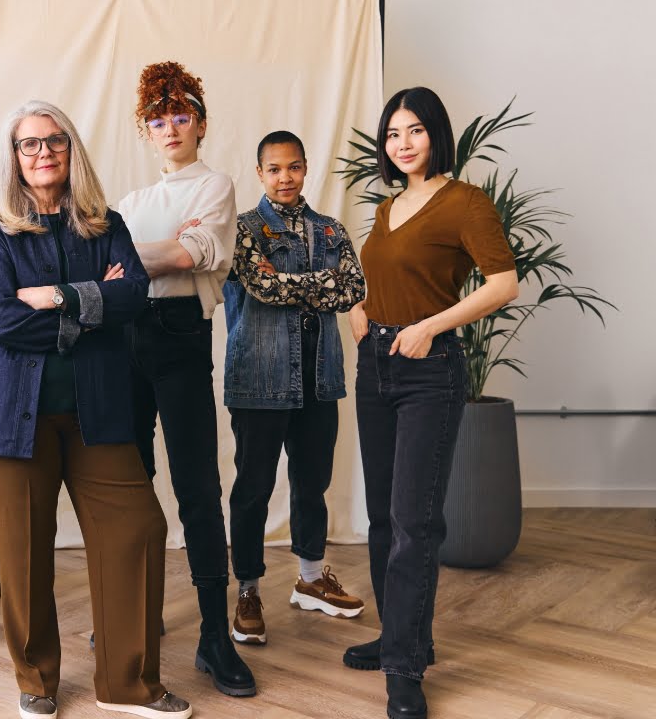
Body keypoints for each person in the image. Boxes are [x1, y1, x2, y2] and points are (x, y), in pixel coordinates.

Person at [0, 100, 192, 719]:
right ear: (13, 159)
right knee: (25, 552)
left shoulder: (105, 222)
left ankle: (128, 685)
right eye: (30, 145)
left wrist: (56, 297)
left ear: (72, 149)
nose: (44, 154)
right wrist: (91, 307)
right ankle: (36, 683)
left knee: (138, 531)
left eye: (55, 142)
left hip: (99, 409)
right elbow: (1, 321)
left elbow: (135, 296)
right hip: (11, 416)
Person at [344, 87, 518, 719]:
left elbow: (504, 282)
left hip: (428, 370)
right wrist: (358, 309)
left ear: (436, 135)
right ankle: (399, 637)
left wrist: (432, 327)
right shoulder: (389, 207)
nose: (403, 143)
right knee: (384, 519)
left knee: (415, 522)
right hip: (375, 367)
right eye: (393, 133)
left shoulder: (465, 203)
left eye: (415, 130)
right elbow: (379, 277)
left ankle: (405, 667)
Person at [117, 61, 255, 698]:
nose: (169, 128)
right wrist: (140, 259)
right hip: (124, 339)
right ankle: (135, 620)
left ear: (199, 123)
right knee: (131, 482)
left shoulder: (216, 185)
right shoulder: (132, 203)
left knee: (197, 484)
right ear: (145, 132)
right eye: (157, 119)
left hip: (180, 336)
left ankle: (213, 635)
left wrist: (122, 261)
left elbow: (190, 255)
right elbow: (153, 258)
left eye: (180, 116)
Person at [222, 131, 367, 649]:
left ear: (306, 169)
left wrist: (297, 286)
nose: (285, 178)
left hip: (320, 378)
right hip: (259, 380)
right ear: (260, 173)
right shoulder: (242, 229)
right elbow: (259, 286)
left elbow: (353, 288)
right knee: (254, 488)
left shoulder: (330, 229)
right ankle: (248, 590)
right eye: (274, 169)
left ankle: (310, 577)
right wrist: (319, 285)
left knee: (313, 482)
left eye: (294, 167)